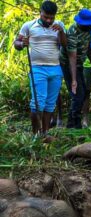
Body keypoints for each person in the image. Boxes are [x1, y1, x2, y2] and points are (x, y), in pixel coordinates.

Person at [14, 1, 66, 137]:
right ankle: (35, 134)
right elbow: (17, 43)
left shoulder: (59, 25)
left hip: (55, 68)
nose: (48, 20)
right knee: (38, 102)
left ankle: (45, 133)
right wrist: (21, 44)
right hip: (37, 68)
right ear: (40, 13)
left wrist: (61, 32)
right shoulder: (29, 25)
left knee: (50, 103)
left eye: (51, 18)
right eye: (45, 17)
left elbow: (64, 45)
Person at [60, 9, 91, 129]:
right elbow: (72, 56)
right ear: (80, 22)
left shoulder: (88, 30)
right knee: (77, 94)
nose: (89, 25)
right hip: (69, 65)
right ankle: (73, 124)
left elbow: (88, 48)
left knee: (82, 93)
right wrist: (74, 80)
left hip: (79, 64)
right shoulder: (72, 31)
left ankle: (73, 124)